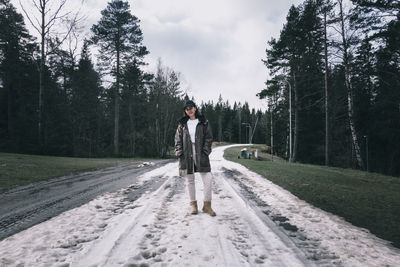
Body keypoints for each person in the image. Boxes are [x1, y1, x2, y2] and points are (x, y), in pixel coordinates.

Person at [174, 100, 216, 216]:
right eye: (187, 109)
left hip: (201, 152)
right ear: (185, 111)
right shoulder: (182, 124)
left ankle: (207, 206)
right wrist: (179, 152)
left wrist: (206, 151)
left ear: (195, 108)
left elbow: (209, 137)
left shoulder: (203, 122)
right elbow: (177, 139)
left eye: (191, 108)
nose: (190, 110)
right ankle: (193, 205)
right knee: (190, 180)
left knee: (208, 179)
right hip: (187, 153)